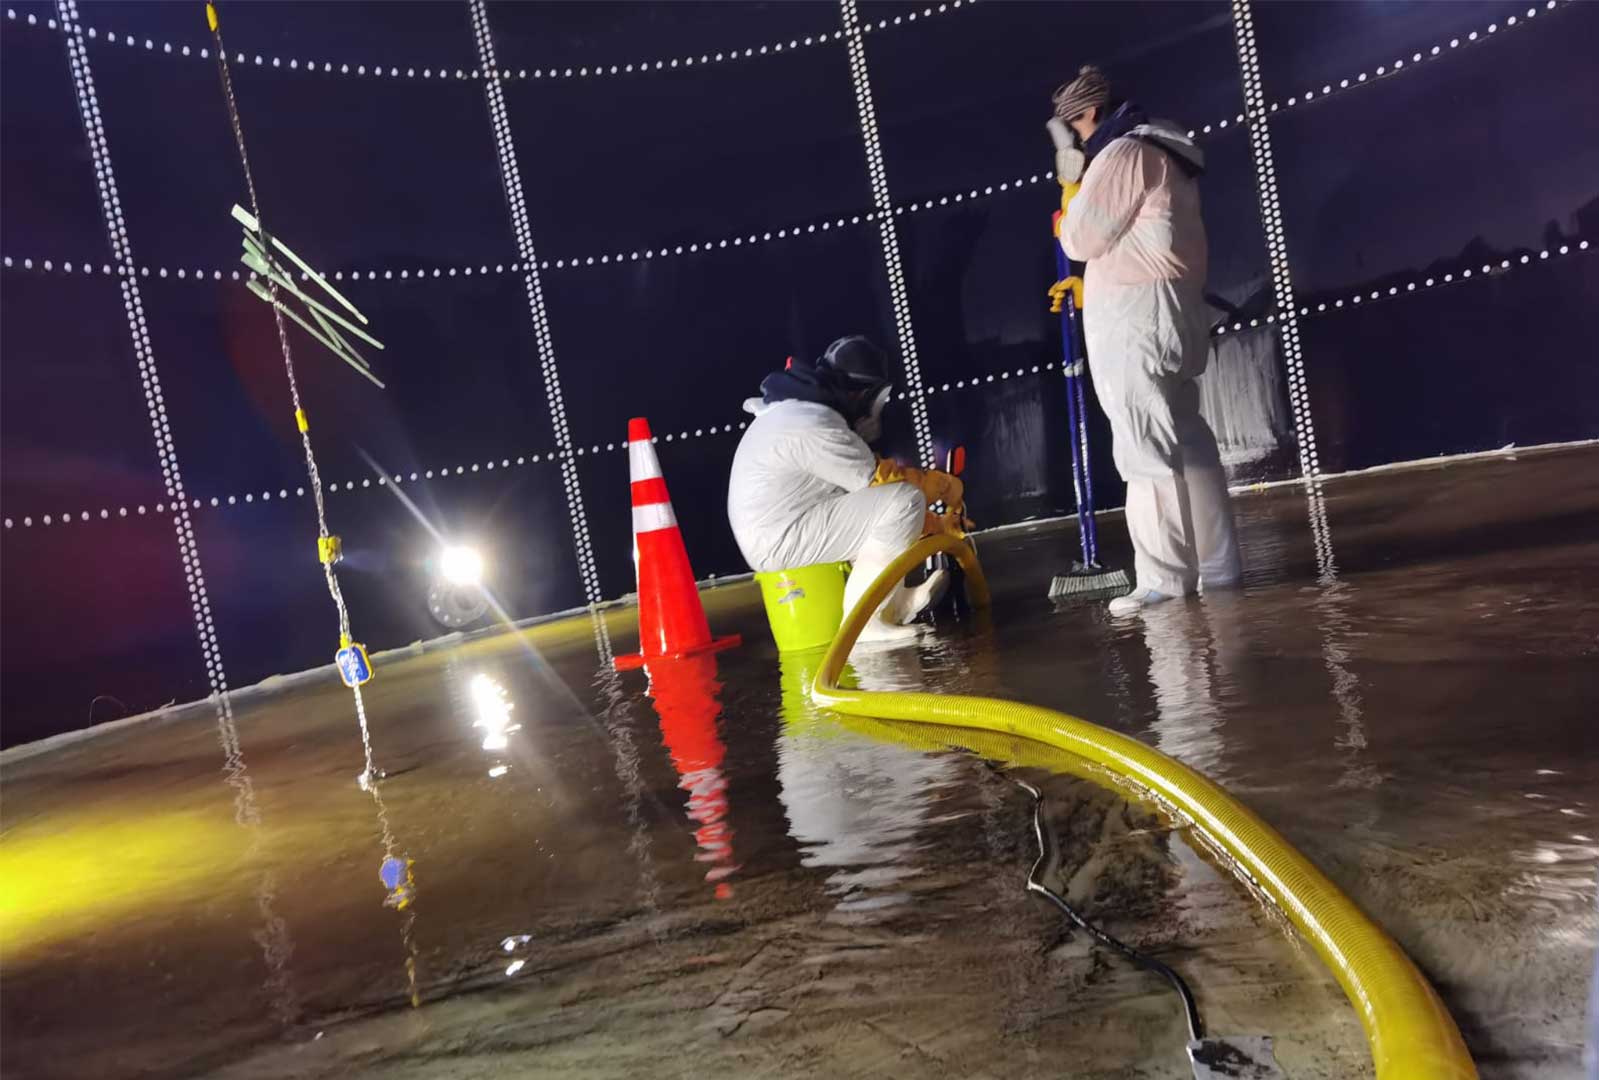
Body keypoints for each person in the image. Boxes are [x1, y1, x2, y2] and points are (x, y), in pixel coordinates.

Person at [1048, 65, 1242, 614]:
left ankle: (1164, 579)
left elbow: (1082, 237)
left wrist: (1070, 198)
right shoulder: (1162, 151)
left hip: (1137, 321)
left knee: (1144, 447)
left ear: (1088, 113)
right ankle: (1219, 567)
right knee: (1187, 441)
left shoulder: (1123, 154)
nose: (1077, 135)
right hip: (1169, 311)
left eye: (1074, 125)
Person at [728, 336, 957, 642]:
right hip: (781, 539)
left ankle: (896, 605)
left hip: (783, 528)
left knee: (888, 508)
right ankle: (865, 623)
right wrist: (936, 495)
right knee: (903, 503)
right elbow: (876, 483)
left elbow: (864, 492)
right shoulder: (815, 424)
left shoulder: (798, 412)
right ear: (861, 393)